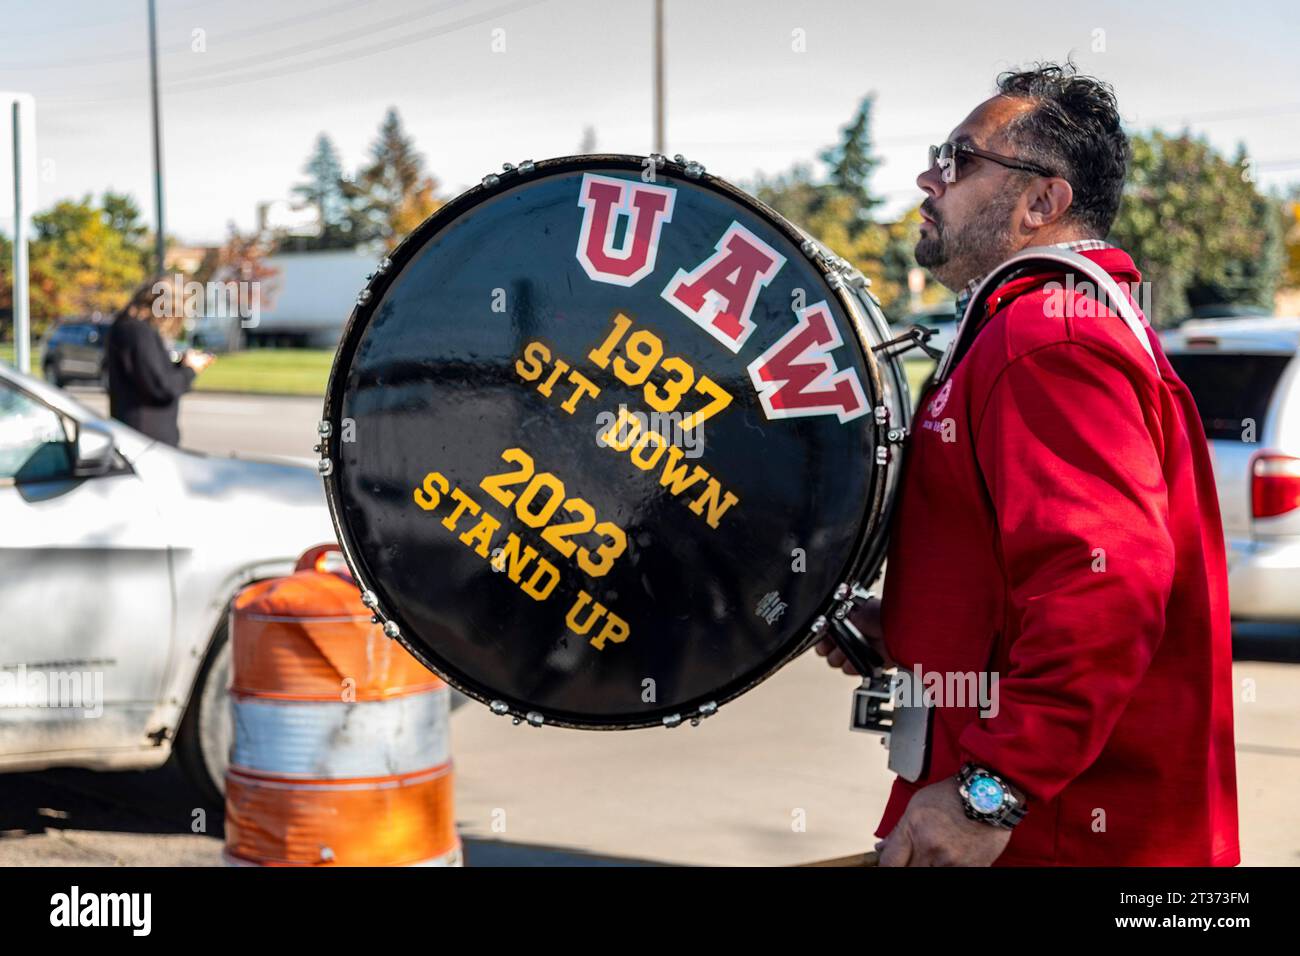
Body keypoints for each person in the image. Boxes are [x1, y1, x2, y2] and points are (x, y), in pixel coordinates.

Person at [816, 62, 1239, 866]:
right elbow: (1032, 578)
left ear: (1042, 202)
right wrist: (909, 632)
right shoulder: (1039, 325)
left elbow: (1105, 585)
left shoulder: (1050, 338)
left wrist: (993, 793)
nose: (927, 179)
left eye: (959, 158)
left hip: (1060, 836)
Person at [105, 279, 214, 446]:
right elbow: (161, 387)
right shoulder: (138, 333)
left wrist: (180, 364)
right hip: (146, 440)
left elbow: (149, 373)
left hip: (140, 435)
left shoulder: (128, 329)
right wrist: (190, 369)